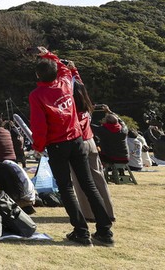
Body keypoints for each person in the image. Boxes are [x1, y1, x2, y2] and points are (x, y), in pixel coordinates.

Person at [27, 46, 113, 245]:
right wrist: (48, 54)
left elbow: (39, 125)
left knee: (66, 188)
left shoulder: (37, 95)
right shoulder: (65, 82)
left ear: (37, 75)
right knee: (88, 184)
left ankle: (81, 231)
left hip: (57, 145)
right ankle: (105, 231)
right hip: (76, 140)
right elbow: (64, 68)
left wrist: (38, 146)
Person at [69, 79, 115, 222]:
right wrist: (73, 71)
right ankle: (108, 211)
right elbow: (79, 84)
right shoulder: (87, 106)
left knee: (80, 181)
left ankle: (89, 213)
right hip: (91, 142)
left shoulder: (72, 108)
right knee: (98, 178)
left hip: (79, 143)